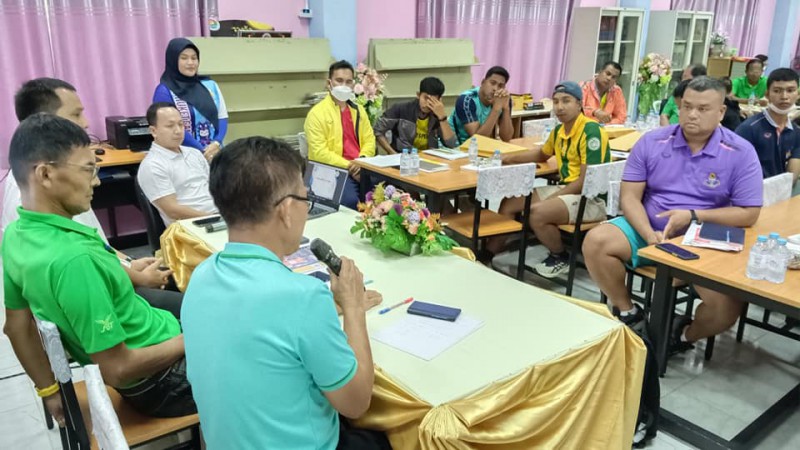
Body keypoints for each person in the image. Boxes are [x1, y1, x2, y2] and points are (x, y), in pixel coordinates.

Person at [182, 136, 391, 449]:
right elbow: (356, 402)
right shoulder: (303, 297)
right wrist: (353, 307)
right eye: (306, 198)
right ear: (287, 209)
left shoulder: (201, 275)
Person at [3, 113, 196, 422]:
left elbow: (16, 327)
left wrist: (48, 390)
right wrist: (195, 337)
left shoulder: (17, 235)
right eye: (88, 169)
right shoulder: (73, 260)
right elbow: (118, 368)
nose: (96, 180)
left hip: (155, 345)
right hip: (163, 380)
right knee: (265, 357)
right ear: (46, 174)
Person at [583, 77, 763, 354]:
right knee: (596, 241)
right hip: (649, 229)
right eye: (687, 106)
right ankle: (629, 312)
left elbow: (748, 213)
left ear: (721, 112)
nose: (692, 115)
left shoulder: (741, 152)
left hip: (704, 238)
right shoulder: (653, 141)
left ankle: (682, 335)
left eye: (703, 109)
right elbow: (629, 197)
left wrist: (693, 215)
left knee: (726, 308)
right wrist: (648, 234)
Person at [2, 78, 180, 316]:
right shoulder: (33, 196)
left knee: (188, 281)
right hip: (104, 295)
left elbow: (95, 244)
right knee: (197, 307)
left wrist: (128, 262)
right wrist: (138, 277)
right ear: (45, 122)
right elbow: (78, 268)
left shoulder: (56, 182)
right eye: (76, 114)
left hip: (108, 275)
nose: (85, 123)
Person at [486, 81, 610, 275]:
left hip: (590, 199)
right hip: (567, 189)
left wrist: (554, 198)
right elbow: (542, 154)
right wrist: (508, 158)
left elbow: (586, 181)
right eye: (556, 101)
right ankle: (487, 255)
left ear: (579, 104)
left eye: (566, 101)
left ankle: (560, 255)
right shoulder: (559, 131)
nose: (560, 107)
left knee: (536, 213)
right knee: (509, 203)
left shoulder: (591, 131)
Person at [304, 60, 376, 209]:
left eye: (348, 82)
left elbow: (370, 140)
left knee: (389, 194)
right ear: (329, 83)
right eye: (339, 80)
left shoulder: (359, 110)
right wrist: (350, 166)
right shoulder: (317, 114)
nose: (344, 85)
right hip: (332, 171)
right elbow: (319, 152)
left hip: (361, 167)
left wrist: (362, 161)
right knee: (350, 203)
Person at [138, 102, 218, 226]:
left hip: (218, 215)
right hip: (190, 226)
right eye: (170, 126)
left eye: (181, 124)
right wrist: (214, 218)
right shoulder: (152, 165)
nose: (178, 131)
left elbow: (214, 187)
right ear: (153, 131)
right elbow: (172, 211)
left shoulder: (194, 153)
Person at [153, 37, 227, 159]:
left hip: (215, 152)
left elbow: (222, 117)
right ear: (173, 60)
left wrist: (217, 143)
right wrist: (202, 150)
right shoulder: (164, 91)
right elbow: (169, 127)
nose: (191, 62)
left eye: (194, 58)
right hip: (183, 156)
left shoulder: (210, 85)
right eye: (184, 58)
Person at [735, 68, 800, 183]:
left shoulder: (796, 132)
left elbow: (792, 175)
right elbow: (734, 167)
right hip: (751, 190)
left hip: (781, 190)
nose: (784, 96)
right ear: (767, 94)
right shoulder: (749, 128)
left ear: (798, 95)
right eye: (777, 91)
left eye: (790, 90)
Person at [373, 76, 457, 153]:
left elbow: (451, 144)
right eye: (426, 98)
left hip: (429, 158)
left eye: (433, 101)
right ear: (418, 95)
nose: (428, 104)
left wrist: (442, 117)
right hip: (404, 156)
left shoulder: (437, 115)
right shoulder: (401, 109)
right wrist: (393, 153)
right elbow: (377, 130)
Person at [448, 66, 514, 145]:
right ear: (483, 82)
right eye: (492, 83)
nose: (495, 89)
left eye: (500, 86)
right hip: (453, 146)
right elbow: (477, 139)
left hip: (479, 147)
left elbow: (506, 138)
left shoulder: (503, 99)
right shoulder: (466, 100)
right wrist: (496, 109)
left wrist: (506, 108)